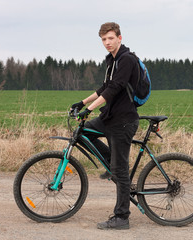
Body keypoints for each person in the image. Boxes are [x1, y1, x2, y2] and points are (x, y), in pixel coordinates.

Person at [70, 22, 139, 230]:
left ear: (119, 37)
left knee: (120, 171)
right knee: (82, 133)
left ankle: (122, 218)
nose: (107, 43)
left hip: (123, 121)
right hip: (110, 117)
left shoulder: (126, 60)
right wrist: (82, 102)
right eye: (103, 39)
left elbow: (115, 89)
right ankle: (111, 161)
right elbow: (104, 88)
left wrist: (89, 109)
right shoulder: (113, 60)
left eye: (110, 38)